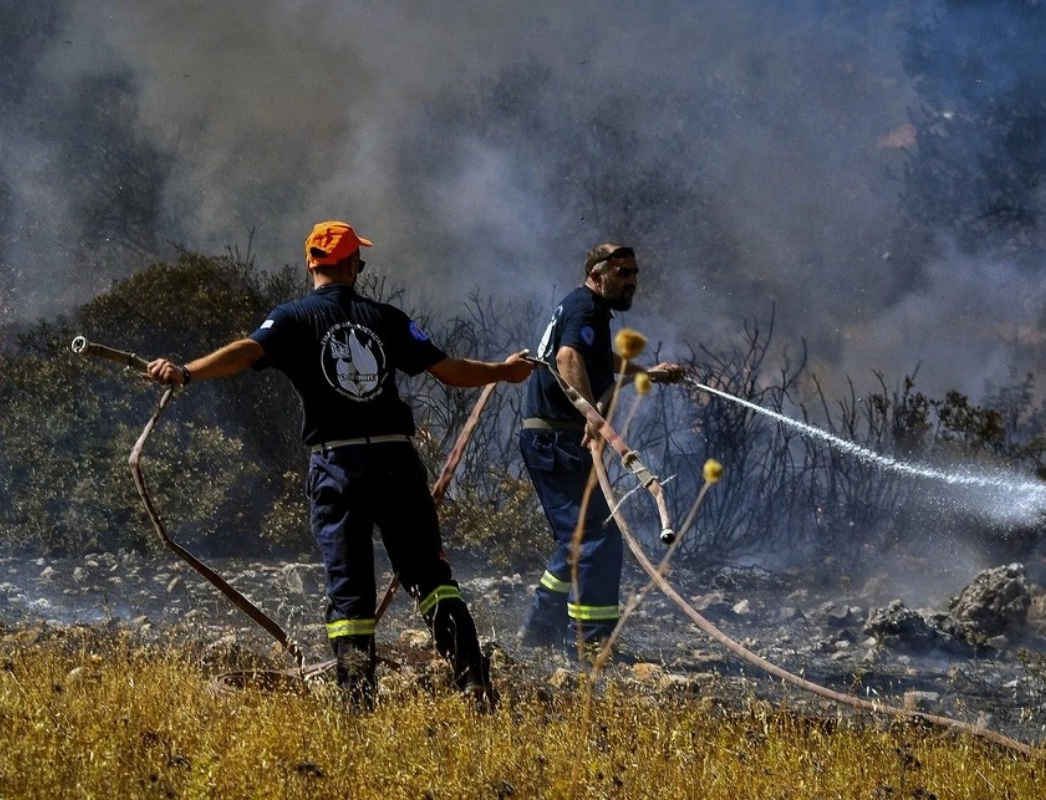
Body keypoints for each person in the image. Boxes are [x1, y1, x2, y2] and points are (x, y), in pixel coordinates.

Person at [148, 220, 532, 709]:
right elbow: (450, 371)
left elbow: (247, 352)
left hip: (338, 465)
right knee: (431, 580)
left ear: (310, 263)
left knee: (350, 594)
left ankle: (356, 705)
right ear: (353, 266)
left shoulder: (290, 318)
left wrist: (186, 372)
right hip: (395, 459)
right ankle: (475, 685)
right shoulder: (386, 318)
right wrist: (505, 370)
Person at [518, 242, 684, 658]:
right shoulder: (587, 308)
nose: (631, 282)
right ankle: (590, 644)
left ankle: (541, 631)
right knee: (598, 537)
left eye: (634, 274)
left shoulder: (583, 308)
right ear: (597, 274)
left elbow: (591, 355)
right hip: (558, 439)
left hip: (549, 437)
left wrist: (647, 372)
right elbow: (569, 356)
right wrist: (593, 414)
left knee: (576, 537)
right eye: (622, 273)